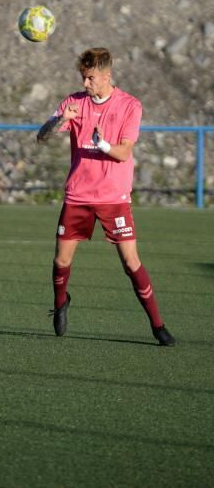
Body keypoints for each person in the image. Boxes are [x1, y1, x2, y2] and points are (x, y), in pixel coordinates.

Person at [36, 47, 175, 346]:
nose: (85, 84)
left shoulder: (130, 106)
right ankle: (61, 302)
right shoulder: (73, 102)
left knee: (131, 262)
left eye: (90, 78)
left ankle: (157, 324)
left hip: (114, 197)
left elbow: (124, 152)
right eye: (82, 78)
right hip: (78, 195)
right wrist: (62, 120)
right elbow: (42, 136)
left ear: (106, 76)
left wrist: (102, 145)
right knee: (61, 259)